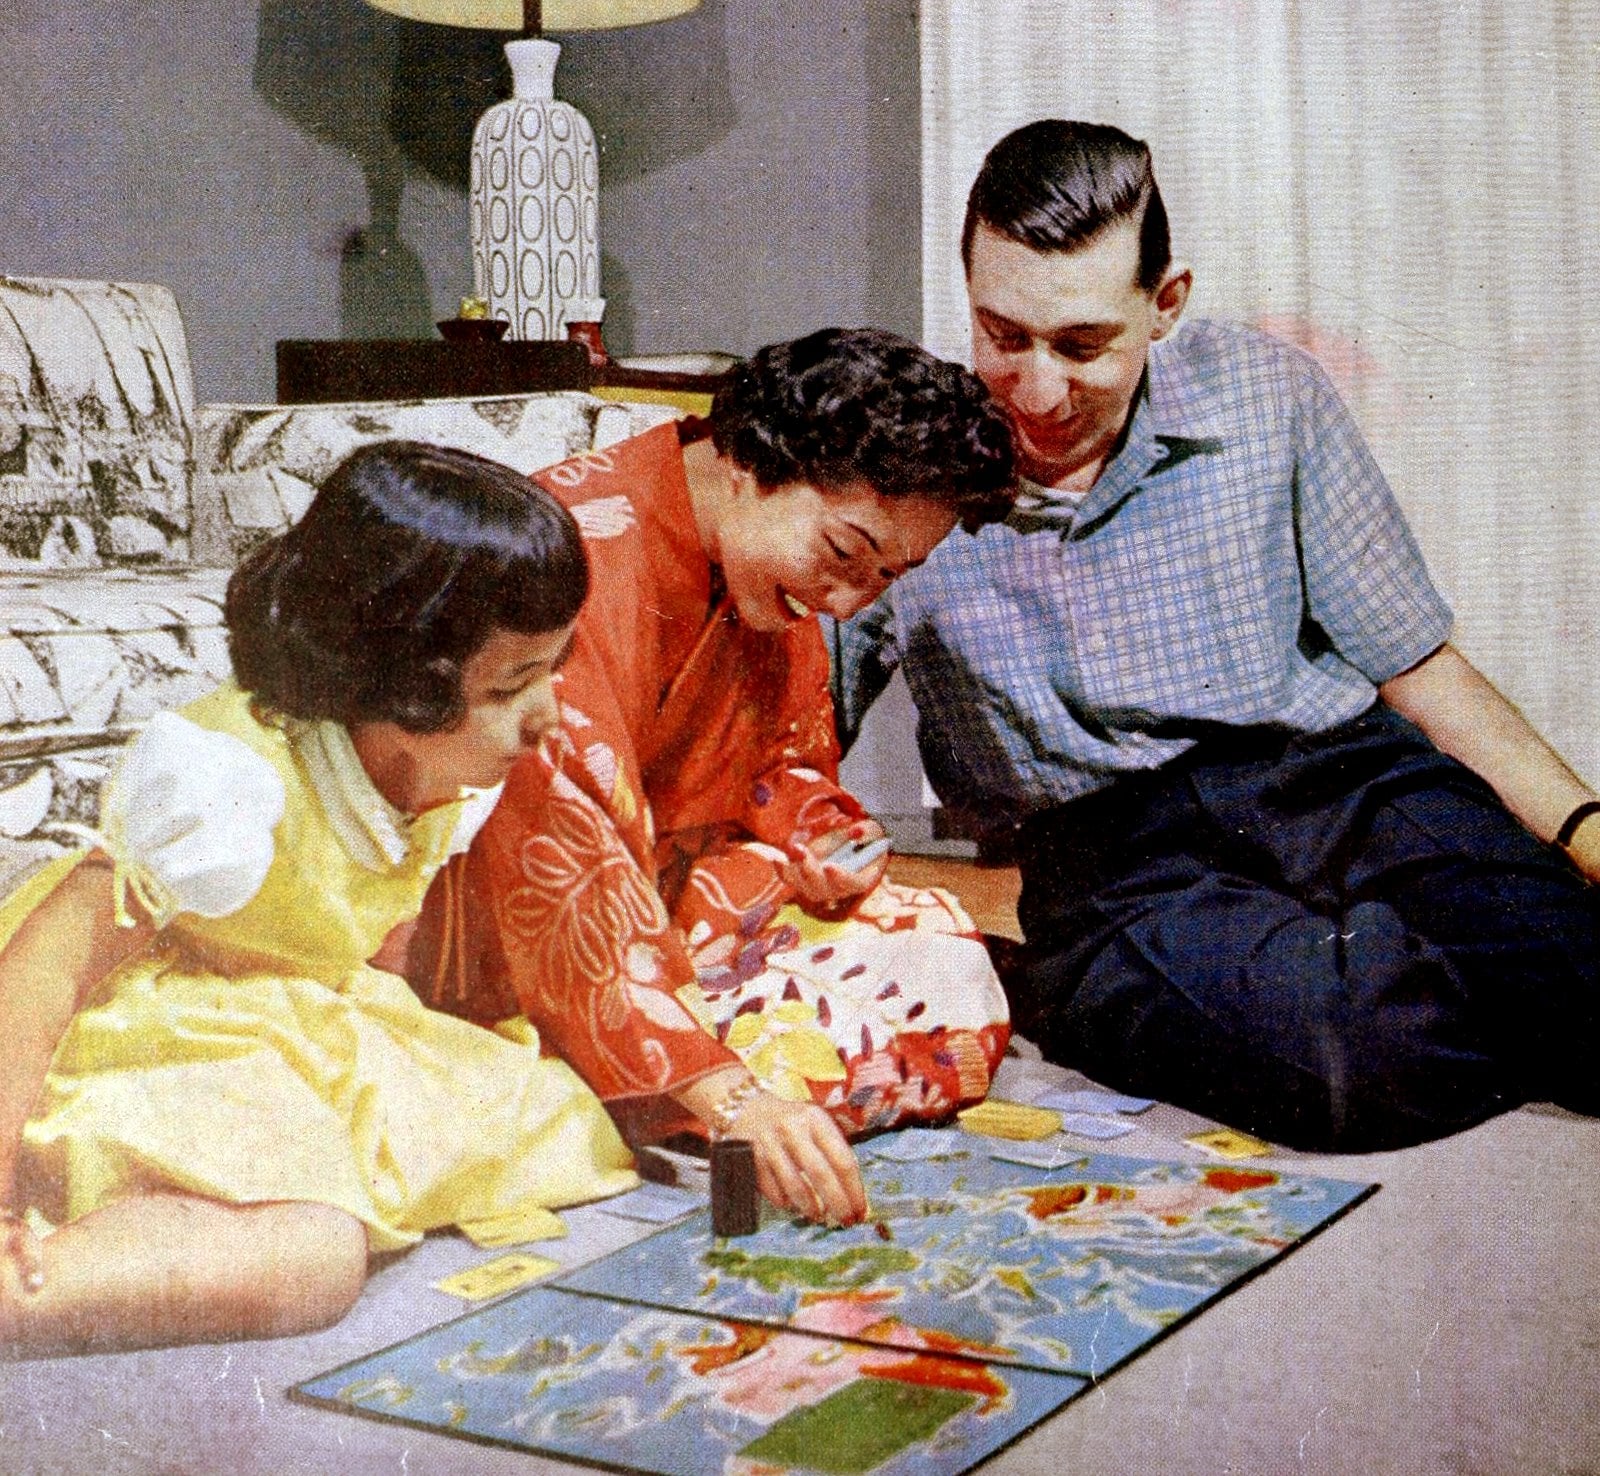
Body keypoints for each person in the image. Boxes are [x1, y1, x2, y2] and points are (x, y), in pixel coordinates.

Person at [832, 120, 1600, 1153]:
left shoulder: (1264, 391)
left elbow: (1416, 664)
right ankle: (1103, 984)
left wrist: (1586, 835)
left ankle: (1362, 955)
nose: (1038, 391)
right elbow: (784, 738)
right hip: (1114, 858)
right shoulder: (900, 464)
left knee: (1581, 971)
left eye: (1081, 344)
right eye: (1002, 335)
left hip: (1341, 778)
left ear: (1166, 305)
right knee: (1359, 1060)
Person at [0, 441, 639, 1356]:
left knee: (563, 1121)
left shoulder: (448, 763)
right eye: (511, 684)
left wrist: (388, 1059)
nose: (551, 714)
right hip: (148, 1023)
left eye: (554, 668)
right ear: (396, 683)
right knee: (313, 1258)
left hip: (298, 1013)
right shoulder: (226, 780)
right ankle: (33, 1290)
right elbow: (50, 963)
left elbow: (383, 923)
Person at [409, 328, 1016, 1227]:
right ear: (751, 463)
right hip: (512, 932)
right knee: (812, 1048)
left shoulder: (761, 558)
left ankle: (639, 1086)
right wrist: (734, 1099)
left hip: (665, 908)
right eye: (847, 552)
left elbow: (785, 763)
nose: (851, 602)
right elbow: (562, 871)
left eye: (891, 576)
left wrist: (823, 836)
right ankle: (620, 1084)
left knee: (943, 948)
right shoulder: (560, 554)